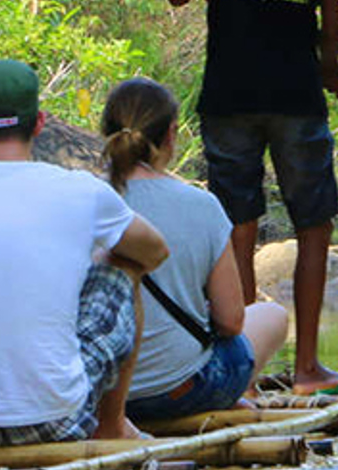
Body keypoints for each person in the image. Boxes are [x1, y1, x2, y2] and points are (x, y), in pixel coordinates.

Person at [105, 0, 338, 395]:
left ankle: (246, 373)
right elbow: (333, 22)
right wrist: (330, 66)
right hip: (296, 98)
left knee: (237, 227)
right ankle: (308, 369)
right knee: (314, 226)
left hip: (229, 97)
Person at [0, 59, 169, 447]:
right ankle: (112, 425)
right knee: (121, 270)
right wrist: (85, 263)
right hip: (52, 422)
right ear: (39, 123)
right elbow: (154, 252)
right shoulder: (82, 192)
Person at [98, 77, 291, 420]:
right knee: (274, 316)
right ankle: (228, 396)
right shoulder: (201, 205)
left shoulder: (81, 201)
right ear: (171, 134)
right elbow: (231, 322)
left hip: (93, 396)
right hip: (179, 392)